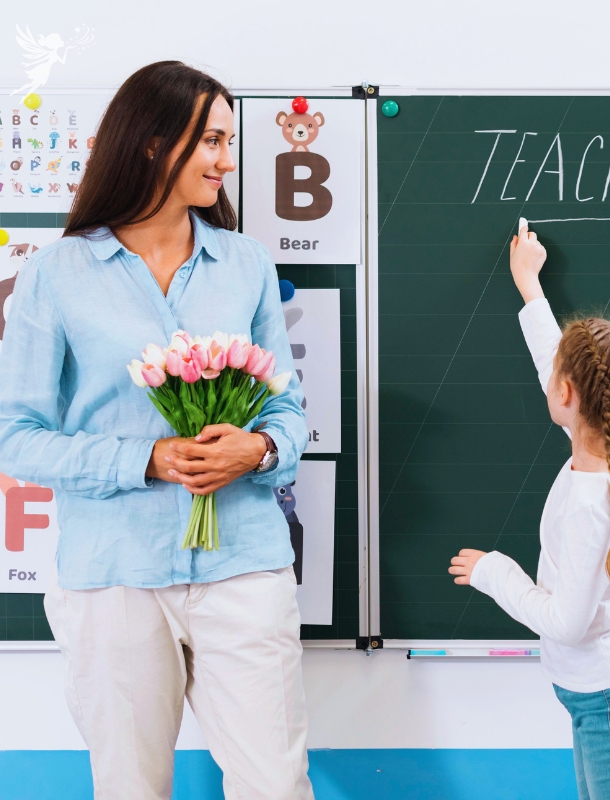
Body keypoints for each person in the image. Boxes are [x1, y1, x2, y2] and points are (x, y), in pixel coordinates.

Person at [0, 62, 312, 799]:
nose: (227, 161)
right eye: (210, 140)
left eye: (228, 140)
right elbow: (16, 436)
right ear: (150, 143)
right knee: (131, 788)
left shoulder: (246, 264)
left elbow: (289, 412)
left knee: (277, 785)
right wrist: (147, 458)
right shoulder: (56, 274)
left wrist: (260, 448)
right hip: (114, 579)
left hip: (244, 566)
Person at [449, 223, 610, 799]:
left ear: (567, 395)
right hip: (608, 695)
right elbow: (562, 363)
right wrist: (530, 287)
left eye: (557, 379)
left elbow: (568, 626)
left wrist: (496, 573)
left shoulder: (587, 504)